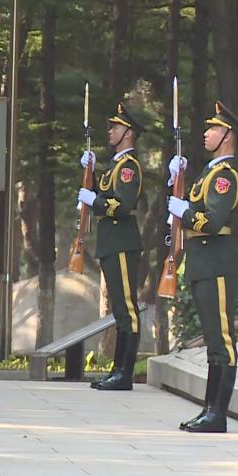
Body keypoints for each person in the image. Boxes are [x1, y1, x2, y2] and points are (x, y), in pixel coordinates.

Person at [167, 101, 238, 434]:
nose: (206, 133)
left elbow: (212, 221)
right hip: (202, 262)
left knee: (222, 339)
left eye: (214, 128)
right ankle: (209, 409)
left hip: (216, 262)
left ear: (228, 135)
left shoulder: (226, 175)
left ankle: (217, 413)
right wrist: (177, 182)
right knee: (213, 340)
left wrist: (183, 212)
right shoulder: (209, 172)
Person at [77, 103, 144, 391]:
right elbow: (104, 194)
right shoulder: (115, 167)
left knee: (127, 308)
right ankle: (117, 370)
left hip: (122, 242)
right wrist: (90, 175)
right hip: (111, 242)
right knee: (119, 308)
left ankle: (124, 373)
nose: (110, 132)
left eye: (115, 127)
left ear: (128, 133)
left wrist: (94, 201)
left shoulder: (128, 167)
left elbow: (122, 204)